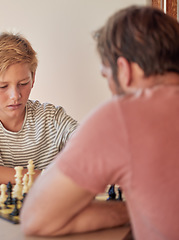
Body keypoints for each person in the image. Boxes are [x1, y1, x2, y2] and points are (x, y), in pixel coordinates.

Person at [21, 6, 179, 239]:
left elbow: (36, 218)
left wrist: (128, 210)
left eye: (107, 76)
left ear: (124, 70)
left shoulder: (124, 116)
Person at [0, 32, 78, 186]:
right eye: (3, 86)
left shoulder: (52, 118)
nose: (15, 95)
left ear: (33, 78)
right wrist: (44, 177)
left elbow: (95, 148)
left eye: (23, 83)